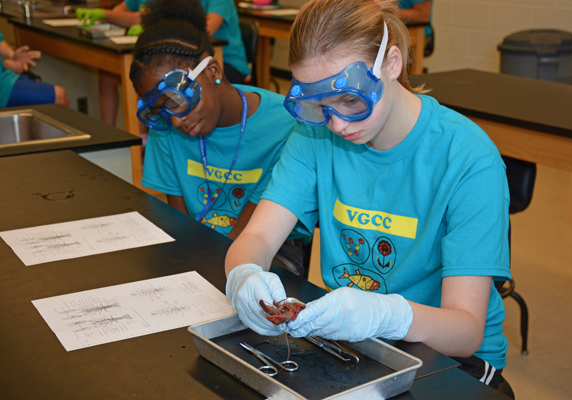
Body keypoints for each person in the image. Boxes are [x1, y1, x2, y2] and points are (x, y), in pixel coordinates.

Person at [224, 0, 514, 397]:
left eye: (350, 101)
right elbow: (257, 238)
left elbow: (464, 331)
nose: (338, 124)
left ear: (391, 64)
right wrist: (244, 275)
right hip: (358, 346)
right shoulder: (314, 136)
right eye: (320, 107)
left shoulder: (466, 158)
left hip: (447, 360)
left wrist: (386, 314)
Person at [130, 0, 307, 275]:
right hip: (198, 245)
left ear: (213, 71)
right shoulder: (167, 128)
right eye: (160, 111)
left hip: (268, 247)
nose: (176, 120)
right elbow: (180, 224)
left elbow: (250, 234)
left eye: (177, 100)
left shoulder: (284, 125)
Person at [77, 0, 250, 126]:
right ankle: (118, 136)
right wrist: (106, 14)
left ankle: (143, 141)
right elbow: (138, 15)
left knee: (158, 82)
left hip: (222, 60)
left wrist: (154, 27)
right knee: (133, 75)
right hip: (175, 60)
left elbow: (204, 30)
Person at [0, 32, 69, 108]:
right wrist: (6, 64)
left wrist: (12, 55)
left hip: (4, 76)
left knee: (63, 97)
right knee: (59, 97)